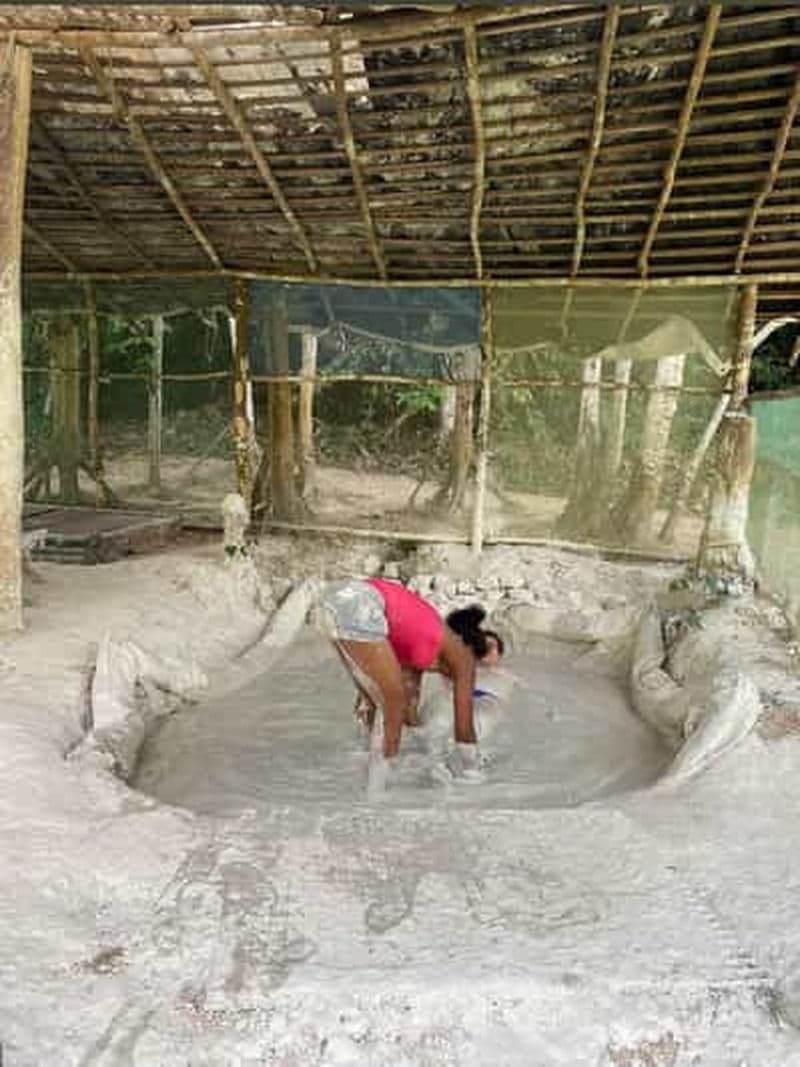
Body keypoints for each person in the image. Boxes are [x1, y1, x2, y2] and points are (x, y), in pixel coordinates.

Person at [314, 577, 504, 769]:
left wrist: (421, 747)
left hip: (335, 598)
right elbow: (464, 727)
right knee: (392, 702)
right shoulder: (464, 657)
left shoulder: (421, 642)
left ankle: (367, 763)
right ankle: (385, 780)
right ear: (473, 651)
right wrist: (472, 768)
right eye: (482, 668)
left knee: (371, 699)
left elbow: (408, 711)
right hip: (361, 601)